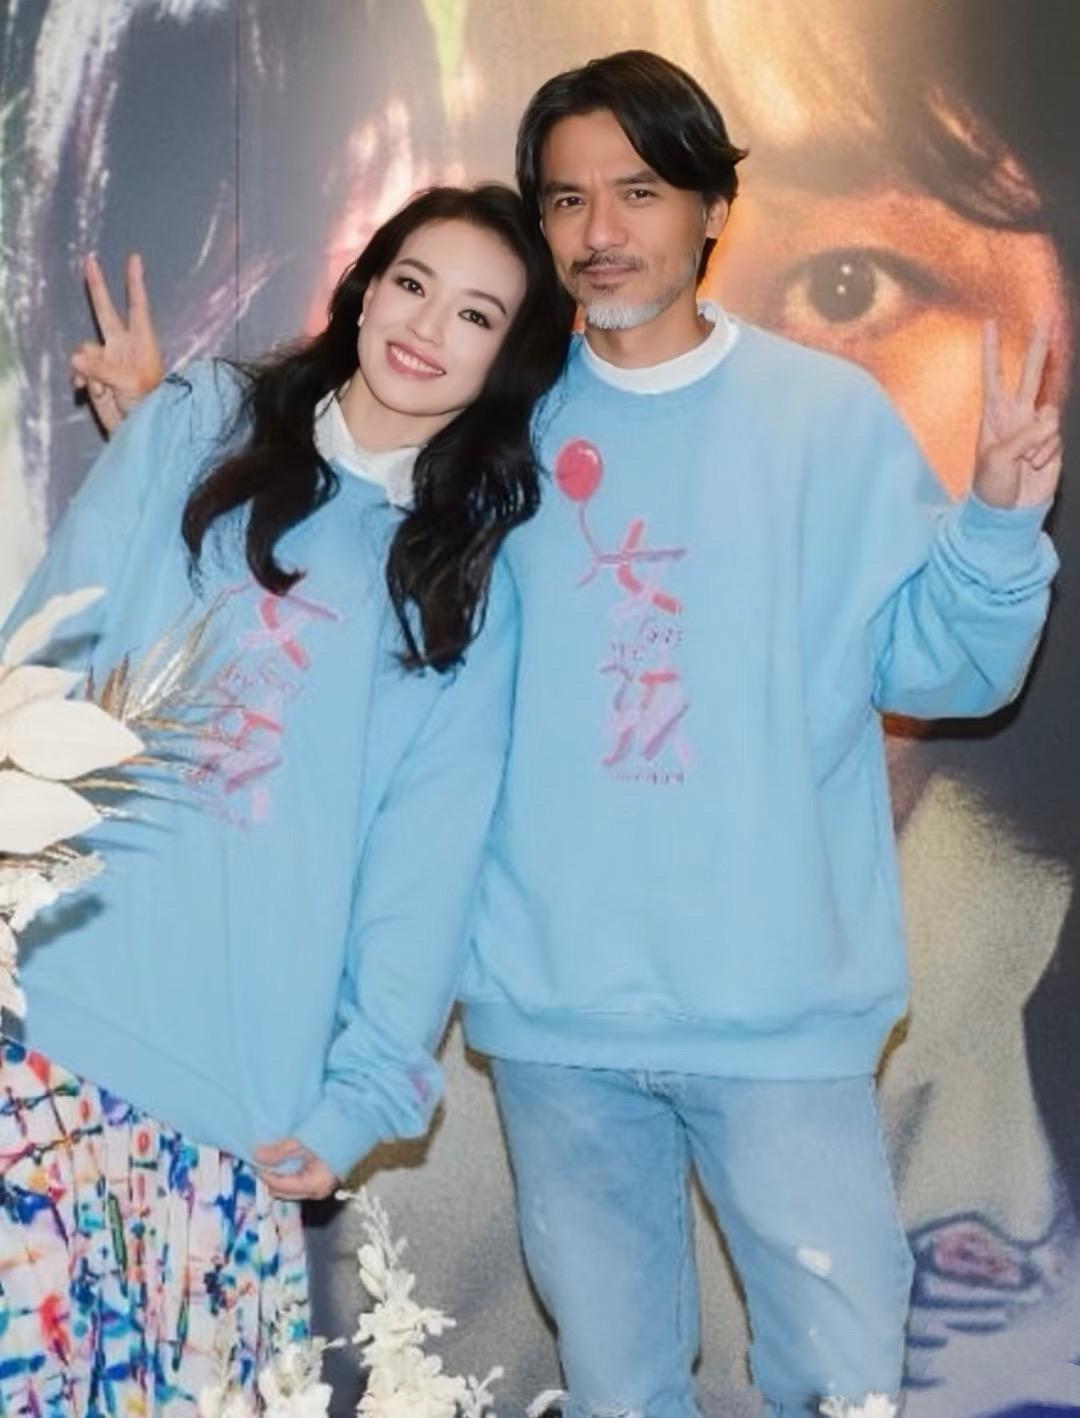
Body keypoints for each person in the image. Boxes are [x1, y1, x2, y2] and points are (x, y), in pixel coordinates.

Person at [70, 48, 1066, 1418]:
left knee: (843, 1384)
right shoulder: (496, 430)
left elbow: (941, 668)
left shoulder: (827, 416)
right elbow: (331, 566)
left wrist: (999, 522)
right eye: (567, 199)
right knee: (615, 1388)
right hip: (552, 1029)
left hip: (779, 1017)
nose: (602, 230)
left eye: (639, 191)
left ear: (712, 209)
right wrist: (165, 438)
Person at [0, 183, 570, 1412]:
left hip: (232, 1099)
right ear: (365, 289)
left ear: (507, 362)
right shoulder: (195, 418)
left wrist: (364, 1092)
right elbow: (45, 653)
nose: (427, 325)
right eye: (412, 282)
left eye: (476, 314)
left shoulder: (465, 588)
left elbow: (424, 869)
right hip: (42, 1023)